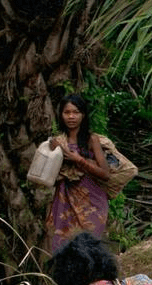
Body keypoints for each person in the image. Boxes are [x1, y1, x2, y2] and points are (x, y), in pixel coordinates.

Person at [46, 94, 110, 253]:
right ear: (61, 115)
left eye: (76, 112)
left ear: (83, 115)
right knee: (63, 247)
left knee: (89, 247)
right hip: (64, 201)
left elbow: (105, 174)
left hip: (91, 202)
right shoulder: (57, 141)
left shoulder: (91, 139)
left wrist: (79, 159)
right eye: (67, 112)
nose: (71, 116)